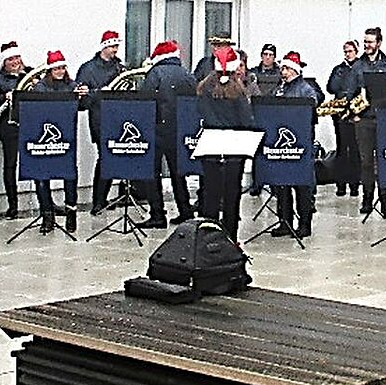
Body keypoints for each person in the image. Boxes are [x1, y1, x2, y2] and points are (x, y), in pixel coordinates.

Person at [197, 45, 256, 241]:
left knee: (210, 192)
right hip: (234, 145)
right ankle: (230, 237)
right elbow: (246, 120)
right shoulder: (238, 90)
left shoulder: (204, 88)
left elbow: (201, 112)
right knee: (232, 193)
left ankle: (208, 235)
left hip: (210, 143)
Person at [136, 40, 197, 230]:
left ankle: (157, 215)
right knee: (178, 174)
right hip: (179, 130)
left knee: (153, 174)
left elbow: (145, 100)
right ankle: (185, 211)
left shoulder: (155, 73)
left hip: (157, 129)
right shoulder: (187, 74)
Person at [74, 30, 125, 214]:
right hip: (99, 119)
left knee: (113, 157)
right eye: (112, 46)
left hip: (118, 118)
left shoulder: (119, 67)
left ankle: (103, 199)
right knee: (104, 157)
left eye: (116, 47)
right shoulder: (88, 68)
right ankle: (98, 200)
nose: (115, 50)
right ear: (104, 47)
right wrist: (99, 93)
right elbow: (81, 98)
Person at [270, 51, 319, 238]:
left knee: (302, 186)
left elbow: (311, 109)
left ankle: (304, 224)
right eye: (282, 68)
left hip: (300, 144)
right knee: (282, 185)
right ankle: (285, 221)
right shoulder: (279, 89)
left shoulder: (306, 89)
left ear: (295, 70)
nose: (283, 72)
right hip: (282, 146)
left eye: (286, 68)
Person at [31, 51, 79, 234]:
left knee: (69, 174)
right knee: (42, 176)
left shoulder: (72, 85)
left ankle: (71, 210)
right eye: (56, 68)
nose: (60, 71)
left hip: (67, 137)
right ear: (50, 70)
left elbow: (82, 107)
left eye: (62, 68)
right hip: (45, 137)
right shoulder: (41, 87)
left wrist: (83, 96)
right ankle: (47, 215)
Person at [351, 26, 386, 217]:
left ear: (378, 43)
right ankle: (367, 198)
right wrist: (353, 112)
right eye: (365, 42)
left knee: (383, 161)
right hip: (364, 119)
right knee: (366, 162)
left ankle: (385, 199)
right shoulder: (357, 65)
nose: (366, 45)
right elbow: (350, 91)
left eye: (370, 42)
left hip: (383, 119)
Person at [0, 41, 32, 219]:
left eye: (17, 57)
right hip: (9, 126)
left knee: (38, 162)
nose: (15, 61)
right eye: (11, 59)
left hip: (31, 124)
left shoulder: (30, 74)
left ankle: (47, 203)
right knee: (10, 164)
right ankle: (12, 205)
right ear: (4, 62)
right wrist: (3, 97)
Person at [325, 40, 362, 198]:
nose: (348, 54)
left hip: (355, 111)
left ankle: (354, 185)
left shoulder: (360, 68)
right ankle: (340, 184)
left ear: (356, 51)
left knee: (354, 149)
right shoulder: (339, 69)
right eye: (345, 51)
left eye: (350, 51)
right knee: (341, 148)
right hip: (339, 112)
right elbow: (331, 87)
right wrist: (341, 75)